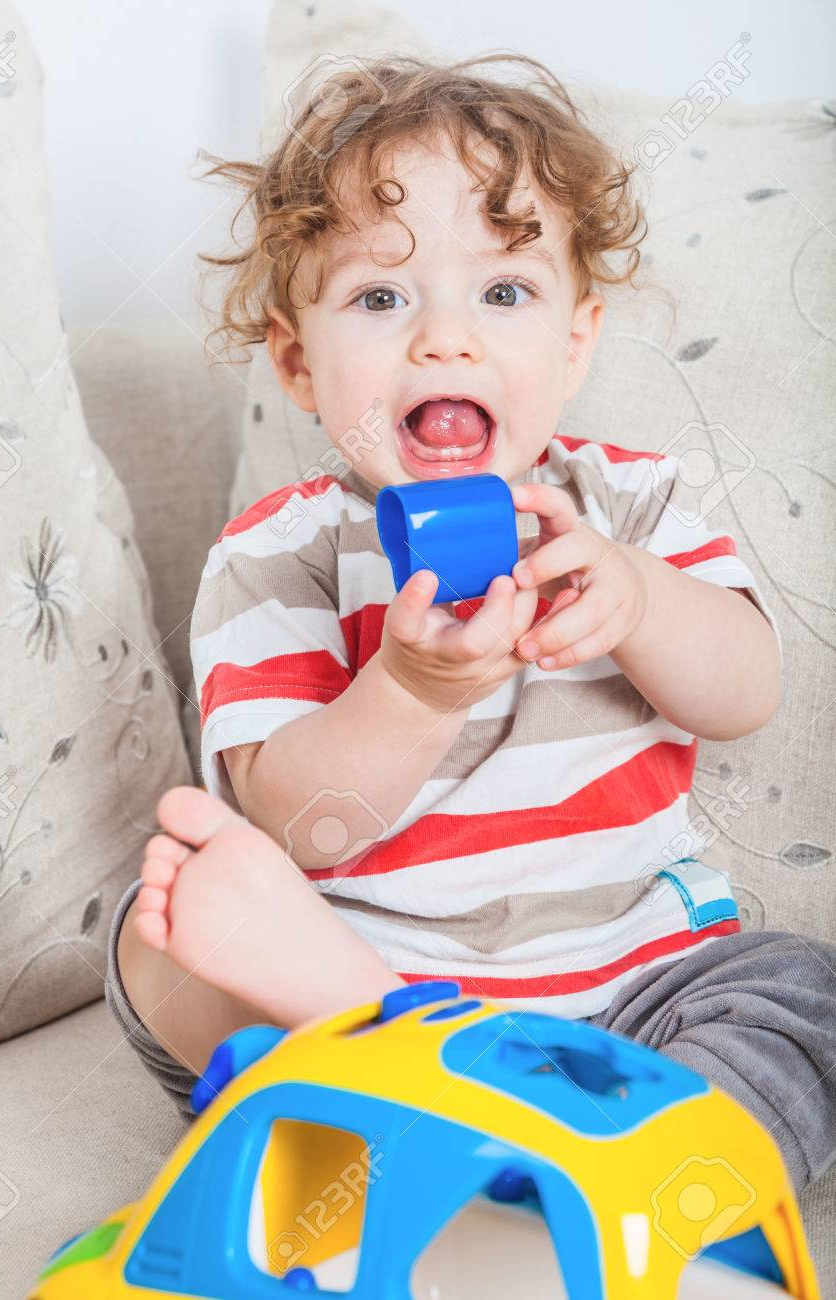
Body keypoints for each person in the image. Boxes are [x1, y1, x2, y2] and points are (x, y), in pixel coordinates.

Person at [106, 53, 836, 1201]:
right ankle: (440, 1102)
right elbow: (300, 828)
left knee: (800, 993)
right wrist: (409, 691)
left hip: (634, 995)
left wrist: (640, 599)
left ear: (575, 340)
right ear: (300, 364)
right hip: (377, 979)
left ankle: (584, 1176)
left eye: (502, 294)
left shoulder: (629, 509)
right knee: (159, 938)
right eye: (381, 298)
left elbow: (746, 692)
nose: (444, 340)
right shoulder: (275, 558)